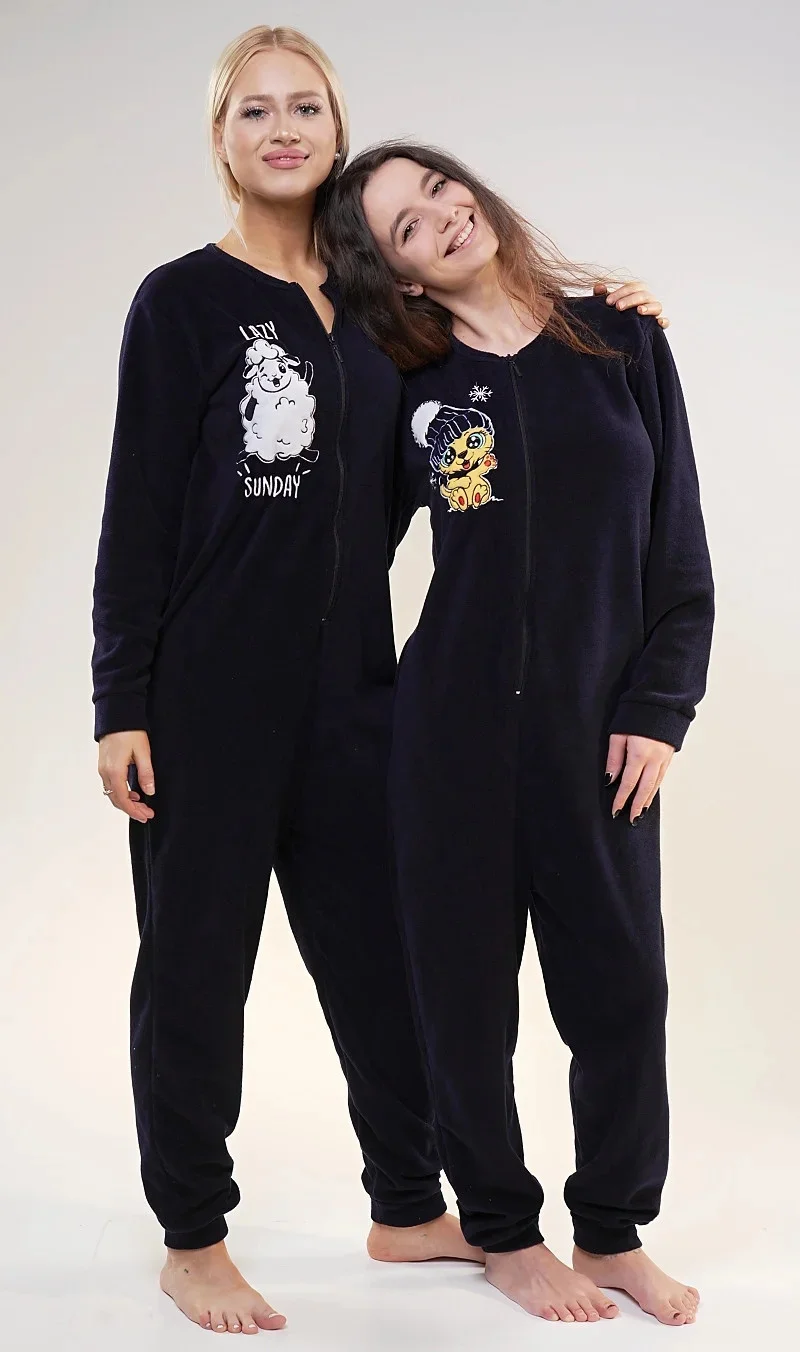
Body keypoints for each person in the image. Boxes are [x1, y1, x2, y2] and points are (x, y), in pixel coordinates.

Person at [92, 25, 667, 1335]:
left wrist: (605, 313)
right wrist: (119, 697)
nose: (282, 128)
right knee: (196, 971)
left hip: (362, 695)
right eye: (254, 110)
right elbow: (136, 509)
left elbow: (504, 401)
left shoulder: (384, 316)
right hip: (204, 697)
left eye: (305, 106)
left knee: (388, 965)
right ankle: (193, 1235)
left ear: (337, 131)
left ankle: (406, 1205)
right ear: (222, 138)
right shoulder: (181, 301)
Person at [320, 142, 713, 1327]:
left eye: (439, 189)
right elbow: (340, 562)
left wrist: (657, 708)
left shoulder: (619, 338)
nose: (440, 217)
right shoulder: (404, 380)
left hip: (598, 742)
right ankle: (499, 1229)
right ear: (396, 274)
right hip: (447, 741)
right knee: (464, 1002)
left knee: (621, 992)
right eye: (404, 225)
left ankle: (611, 1229)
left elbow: (677, 553)